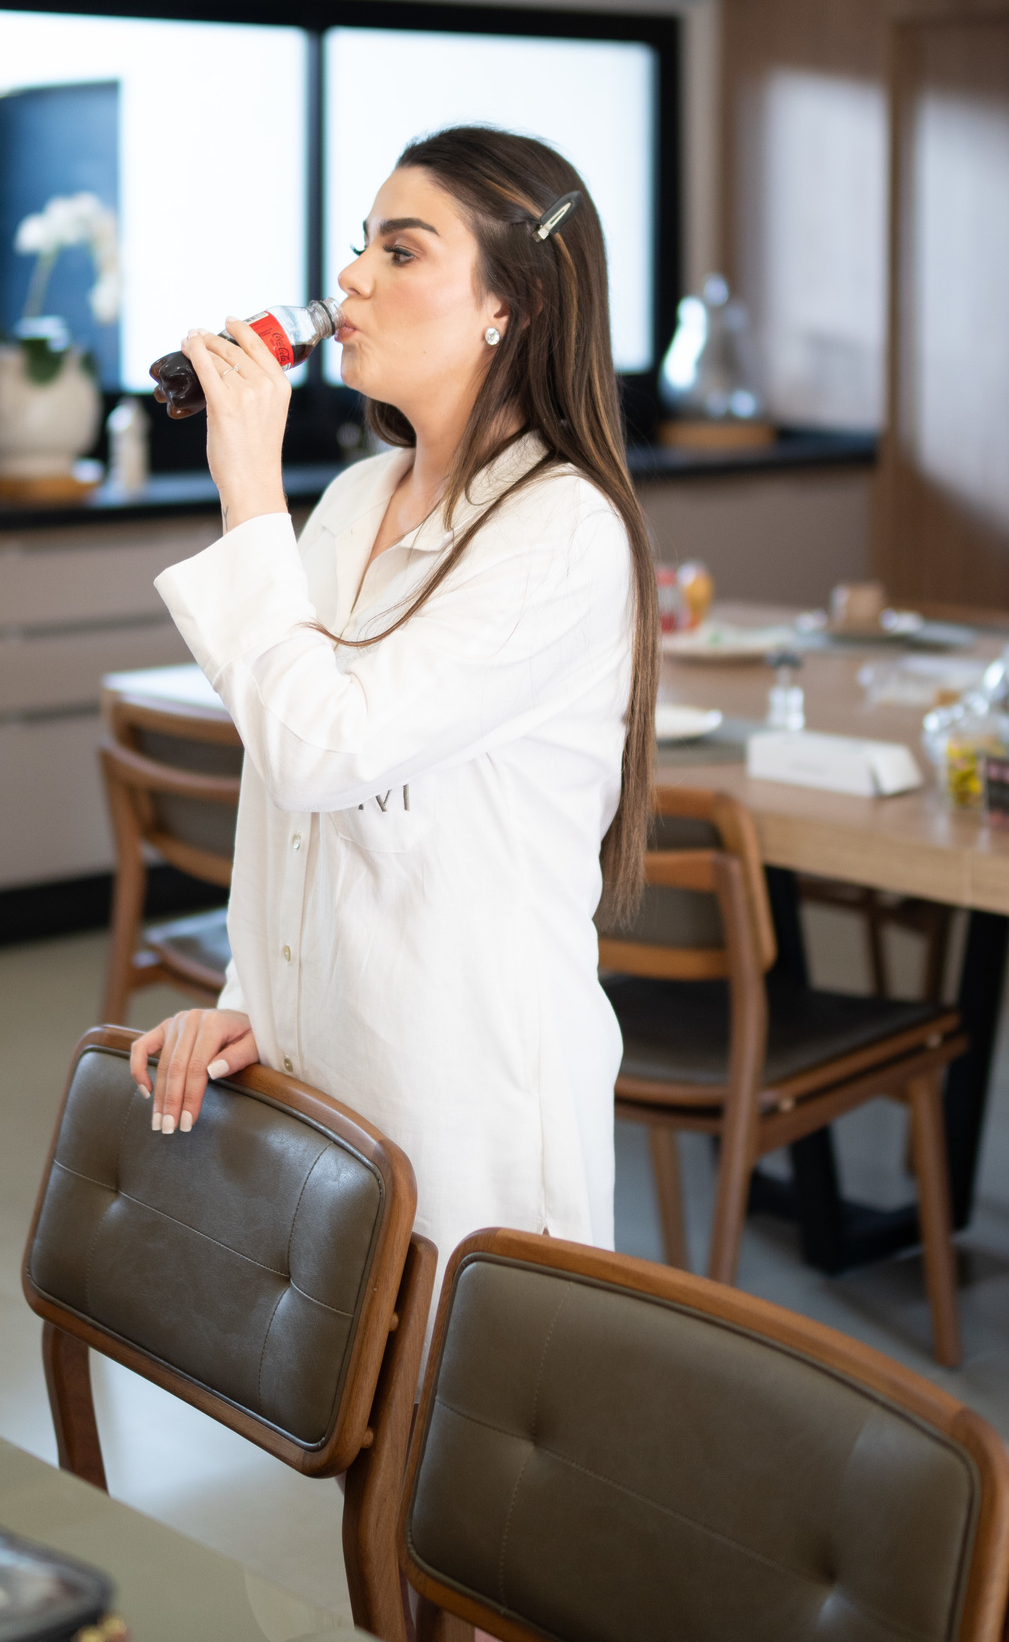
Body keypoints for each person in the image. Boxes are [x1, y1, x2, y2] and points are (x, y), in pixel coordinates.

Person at [131, 125, 658, 1293]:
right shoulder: (358, 498)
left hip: (466, 1103)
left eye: (401, 251)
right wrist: (251, 1006)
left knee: (454, 1402)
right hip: (327, 1084)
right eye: (362, 243)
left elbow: (325, 751)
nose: (352, 276)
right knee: (347, 1405)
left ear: (511, 304)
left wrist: (248, 486)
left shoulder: (562, 530)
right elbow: (295, 808)